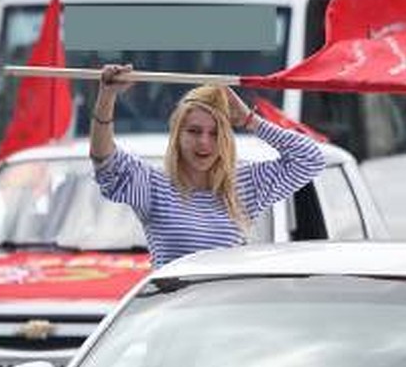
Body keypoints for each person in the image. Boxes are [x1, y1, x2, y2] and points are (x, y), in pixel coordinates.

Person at [89, 64, 325, 268]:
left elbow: (311, 158)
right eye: (193, 131)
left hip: (225, 314)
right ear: (177, 135)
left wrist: (249, 120)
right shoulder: (154, 185)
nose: (204, 142)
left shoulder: (244, 184)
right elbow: (104, 160)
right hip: (171, 313)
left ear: (226, 138)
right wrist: (107, 96)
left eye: (215, 133)